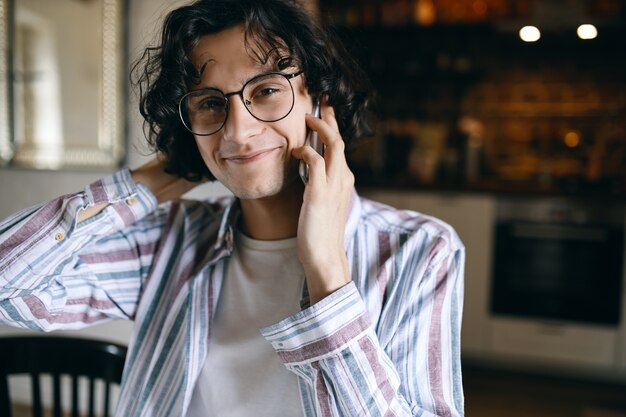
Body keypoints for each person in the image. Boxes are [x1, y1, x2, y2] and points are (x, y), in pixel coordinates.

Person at [0, 0, 465, 416]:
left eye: (265, 90)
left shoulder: (418, 251)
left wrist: (327, 270)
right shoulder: (168, 242)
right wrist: (157, 177)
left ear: (320, 102)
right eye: (209, 103)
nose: (237, 132)